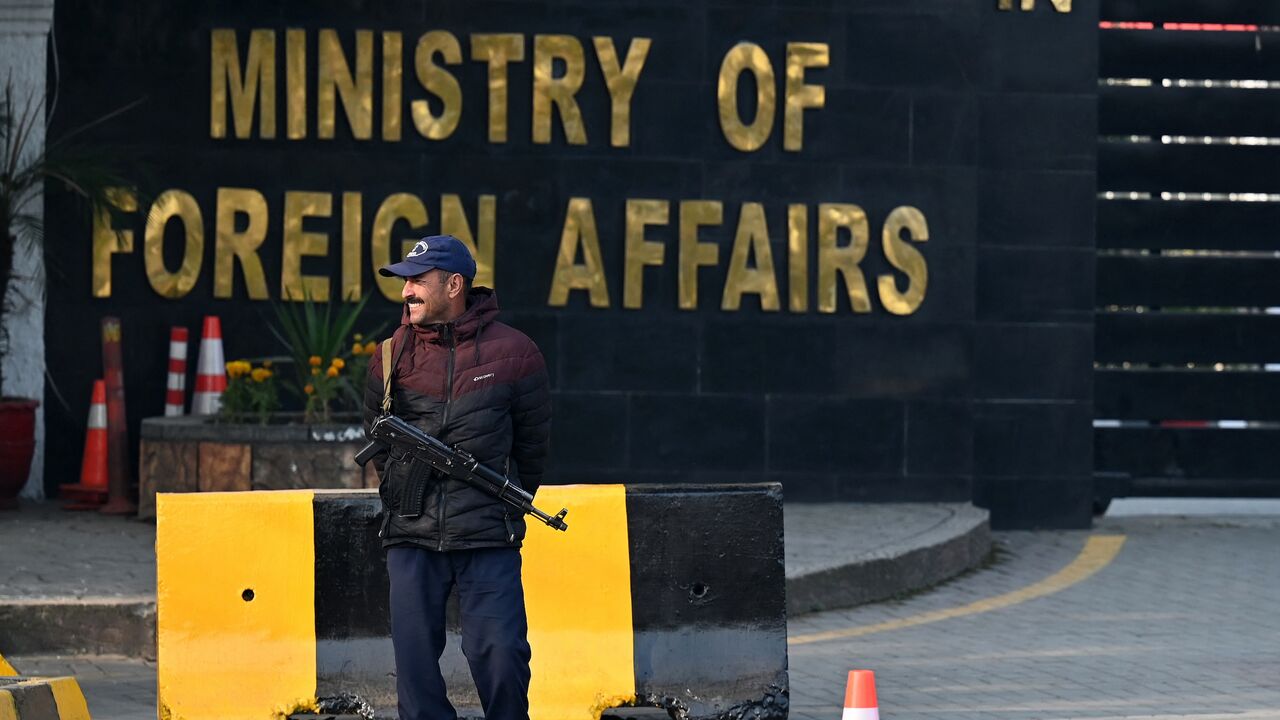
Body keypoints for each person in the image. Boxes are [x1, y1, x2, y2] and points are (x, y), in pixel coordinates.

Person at [364, 234, 551, 720]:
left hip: (488, 535)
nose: (406, 292)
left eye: (418, 282)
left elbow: (533, 451)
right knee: (415, 671)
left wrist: (505, 509)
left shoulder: (517, 353)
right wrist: (410, 492)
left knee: (503, 655)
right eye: (404, 282)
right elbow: (380, 446)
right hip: (410, 535)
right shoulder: (389, 356)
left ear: (454, 284)